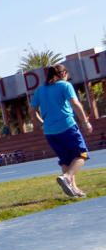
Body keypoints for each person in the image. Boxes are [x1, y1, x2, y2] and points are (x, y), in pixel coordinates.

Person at [30, 64, 94, 197]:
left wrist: (42, 123)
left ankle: (73, 189)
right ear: (62, 73)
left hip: (50, 132)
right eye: (67, 73)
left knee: (66, 160)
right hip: (67, 127)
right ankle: (67, 177)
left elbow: (32, 111)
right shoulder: (65, 86)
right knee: (82, 154)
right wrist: (85, 122)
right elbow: (75, 104)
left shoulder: (40, 90)